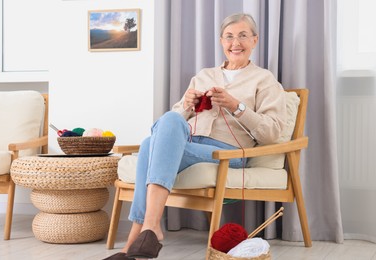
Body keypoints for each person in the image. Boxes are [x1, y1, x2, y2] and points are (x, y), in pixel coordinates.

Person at [104, 13, 287, 260]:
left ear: (254, 40)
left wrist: (237, 107)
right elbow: (172, 122)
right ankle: (149, 230)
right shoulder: (204, 75)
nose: (236, 43)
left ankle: (136, 239)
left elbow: (273, 132)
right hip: (188, 144)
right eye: (229, 37)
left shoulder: (265, 80)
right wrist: (187, 106)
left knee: (149, 145)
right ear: (222, 41)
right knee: (163, 127)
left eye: (243, 36)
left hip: (227, 153)